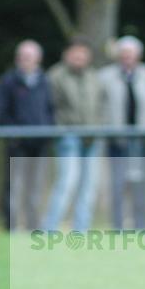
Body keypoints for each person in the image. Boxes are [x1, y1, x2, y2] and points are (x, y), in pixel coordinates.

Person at [98, 36, 145, 229]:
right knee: (117, 186)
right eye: (124, 54)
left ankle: (143, 227)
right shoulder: (106, 76)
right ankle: (118, 227)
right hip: (117, 142)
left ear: (138, 56)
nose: (128, 57)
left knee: (142, 186)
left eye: (131, 54)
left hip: (142, 142)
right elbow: (100, 107)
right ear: (119, 56)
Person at [42, 37, 104, 232]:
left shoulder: (94, 77)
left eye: (83, 54)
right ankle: (50, 228)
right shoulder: (55, 76)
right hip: (68, 136)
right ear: (66, 54)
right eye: (75, 53)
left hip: (92, 137)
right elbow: (50, 108)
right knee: (67, 182)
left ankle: (81, 230)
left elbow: (100, 105)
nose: (79, 57)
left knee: (89, 186)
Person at [0, 39, 55, 231]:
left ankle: (33, 226)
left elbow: (51, 110)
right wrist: (15, 134)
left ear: (38, 59)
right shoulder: (9, 81)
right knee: (14, 187)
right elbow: (2, 112)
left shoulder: (45, 81)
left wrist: (47, 132)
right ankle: (11, 226)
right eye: (21, 57)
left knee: (36, 188)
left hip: (39, 144)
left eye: (28, 57)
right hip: (17, 144)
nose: (24, 61)